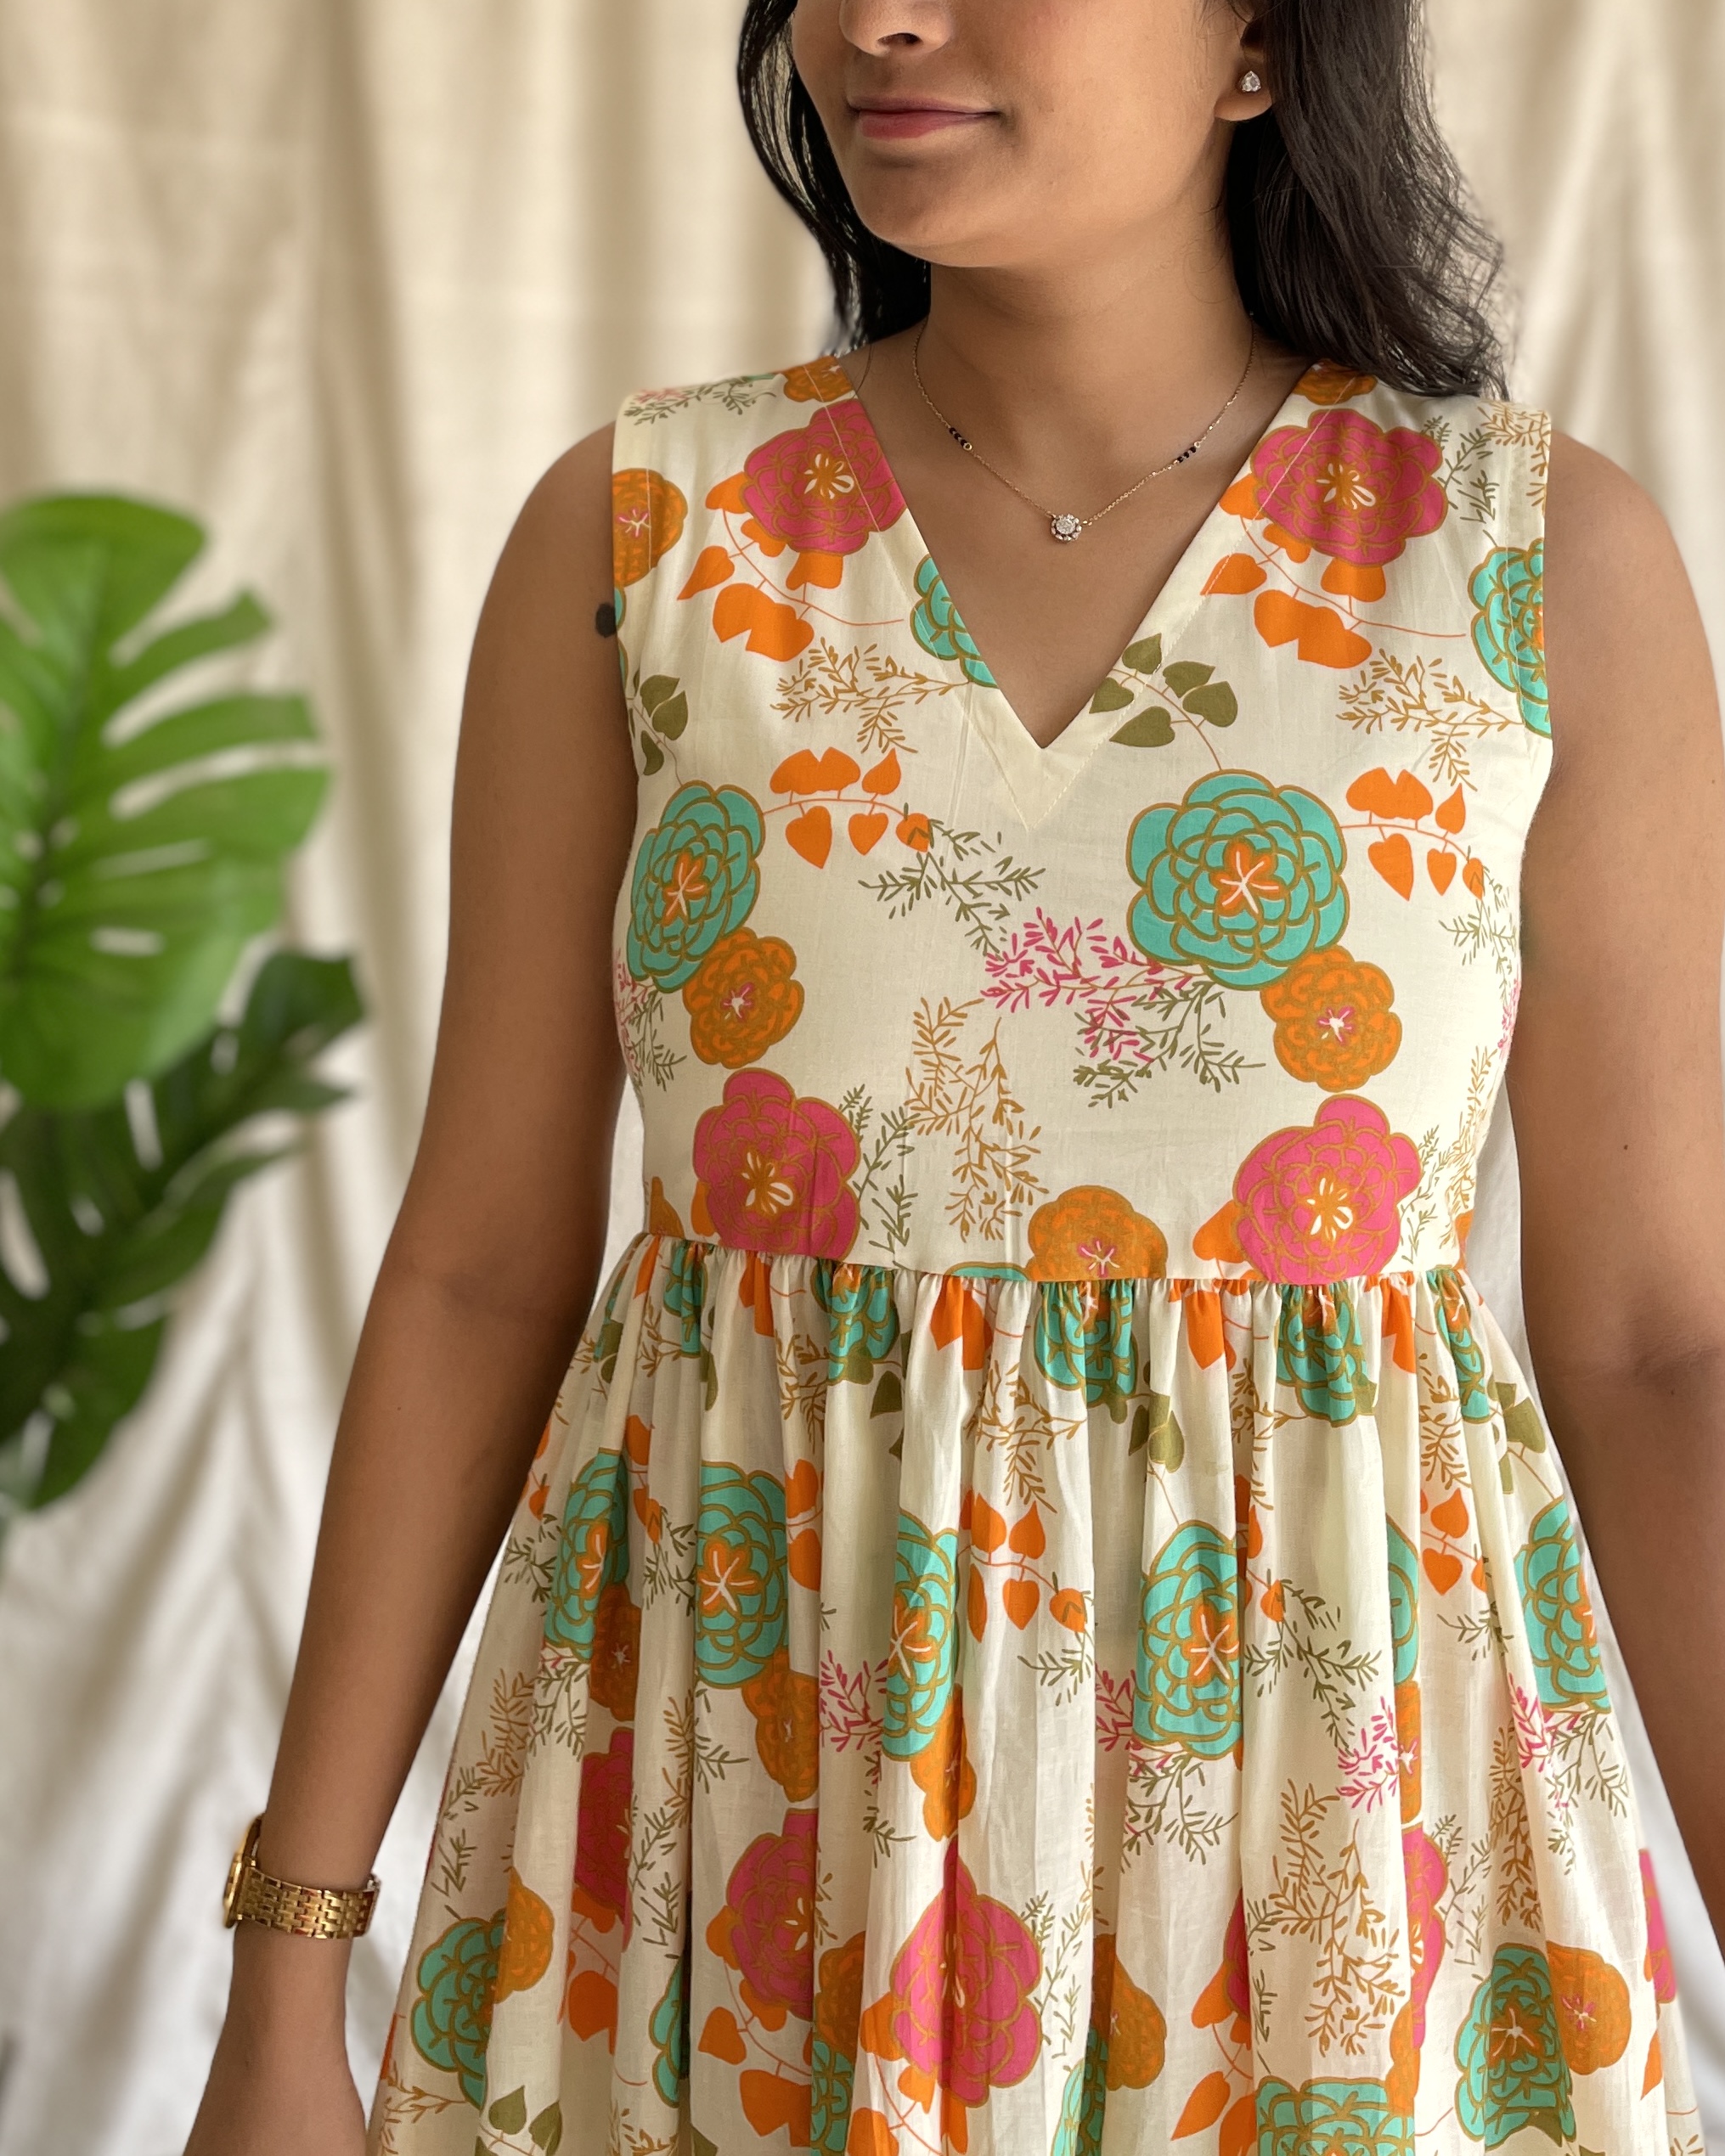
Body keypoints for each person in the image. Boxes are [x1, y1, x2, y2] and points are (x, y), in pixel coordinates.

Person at [187, 1, 1724, 2151]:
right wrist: (288, 1970)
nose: (876, 16)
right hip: (741, 1834)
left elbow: (1658, 1346)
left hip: (1335, 1890)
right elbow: (473, 1270)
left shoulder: (1521, 560)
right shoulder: (648, 538)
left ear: (1258, 44)